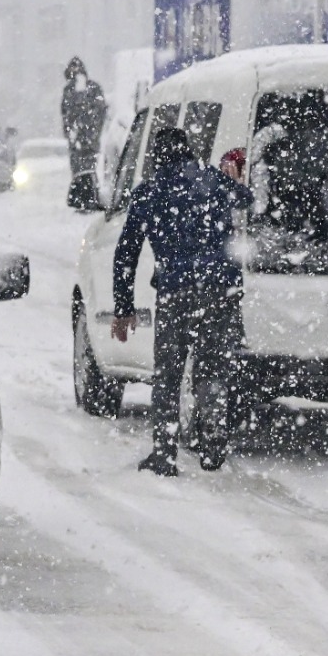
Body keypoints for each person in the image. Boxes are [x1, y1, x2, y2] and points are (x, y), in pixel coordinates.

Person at [112, 128, 254, 476]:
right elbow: (247, 200)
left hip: (175, 291)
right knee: (212, 368)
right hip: (220, 291)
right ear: (188, 151)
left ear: (157, 157)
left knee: (168, 374)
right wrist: (231, 178)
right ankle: (213, 444)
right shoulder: (212, 182)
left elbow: (126, 253)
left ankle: (164, 453)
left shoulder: (149, 192)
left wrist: (123, 307)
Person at [61, 57, 108, 212]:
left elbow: (67, 115)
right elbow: (100, 111)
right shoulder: (85, 89)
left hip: (84, 139)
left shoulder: (75, 90)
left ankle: (84, 199)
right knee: (85, 169)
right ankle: (86, 198)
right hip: (83, 139)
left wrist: (75, 132)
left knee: (83, 169)